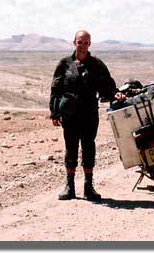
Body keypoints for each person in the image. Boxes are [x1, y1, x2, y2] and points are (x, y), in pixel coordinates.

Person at [49, 30, 125, 200]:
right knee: (71, 148)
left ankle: (88, 186)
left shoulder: (96, 64)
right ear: (74, 42)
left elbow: (107, 83)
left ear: (89, 44)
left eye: (85, 42)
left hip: (89, 113)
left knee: (89, 147)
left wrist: (115, 93)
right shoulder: (64, 64)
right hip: (70, 114)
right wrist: (54, 112)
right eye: (79, 42)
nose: (82, 45)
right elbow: (55, 89)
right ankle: (69, 186)